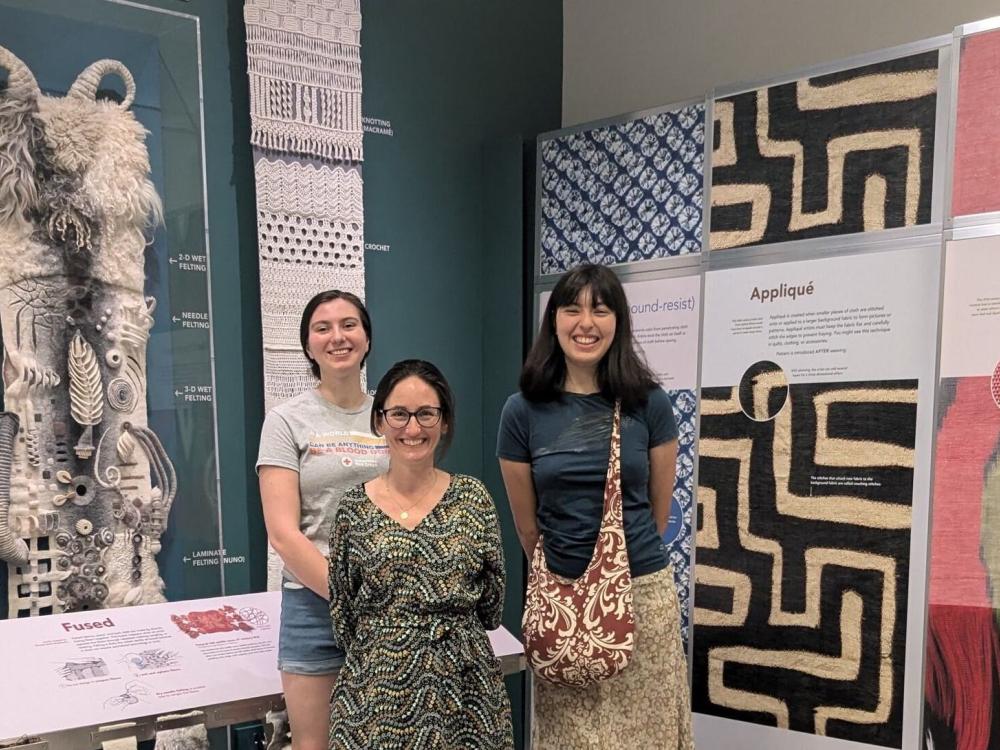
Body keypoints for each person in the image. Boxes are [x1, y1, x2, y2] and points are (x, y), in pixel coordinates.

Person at [497, 263, 694, 749]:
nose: (586, 323)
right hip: (561, 598)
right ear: (554, 321)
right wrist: (571, 576)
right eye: (572, 309)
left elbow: (657, 512)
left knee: (647, 735)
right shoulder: (521, 411)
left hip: (642, 591)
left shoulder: (650, 404)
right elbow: (527, 528)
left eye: (600, 310)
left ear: (618, 322)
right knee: (571, 737)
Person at [328, 359, 513, 749]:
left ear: (444, 421)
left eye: (426, 414)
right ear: (379, 421)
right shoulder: (352, 510)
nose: (412, 428)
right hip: (374, 699)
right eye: (399, 414)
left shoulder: (473, 500)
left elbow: (493, 605)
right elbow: (342, 613)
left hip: (466, 695)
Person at [257, 290, 388, 750]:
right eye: (323, 328)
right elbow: (282, 532)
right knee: (314, 745)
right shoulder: (285, 421)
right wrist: (347, 592)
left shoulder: (392, 417)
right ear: (308, 345)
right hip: (314, 607)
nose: (338, 336)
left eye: (349, 324)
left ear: (367, 338)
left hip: (389, 603)